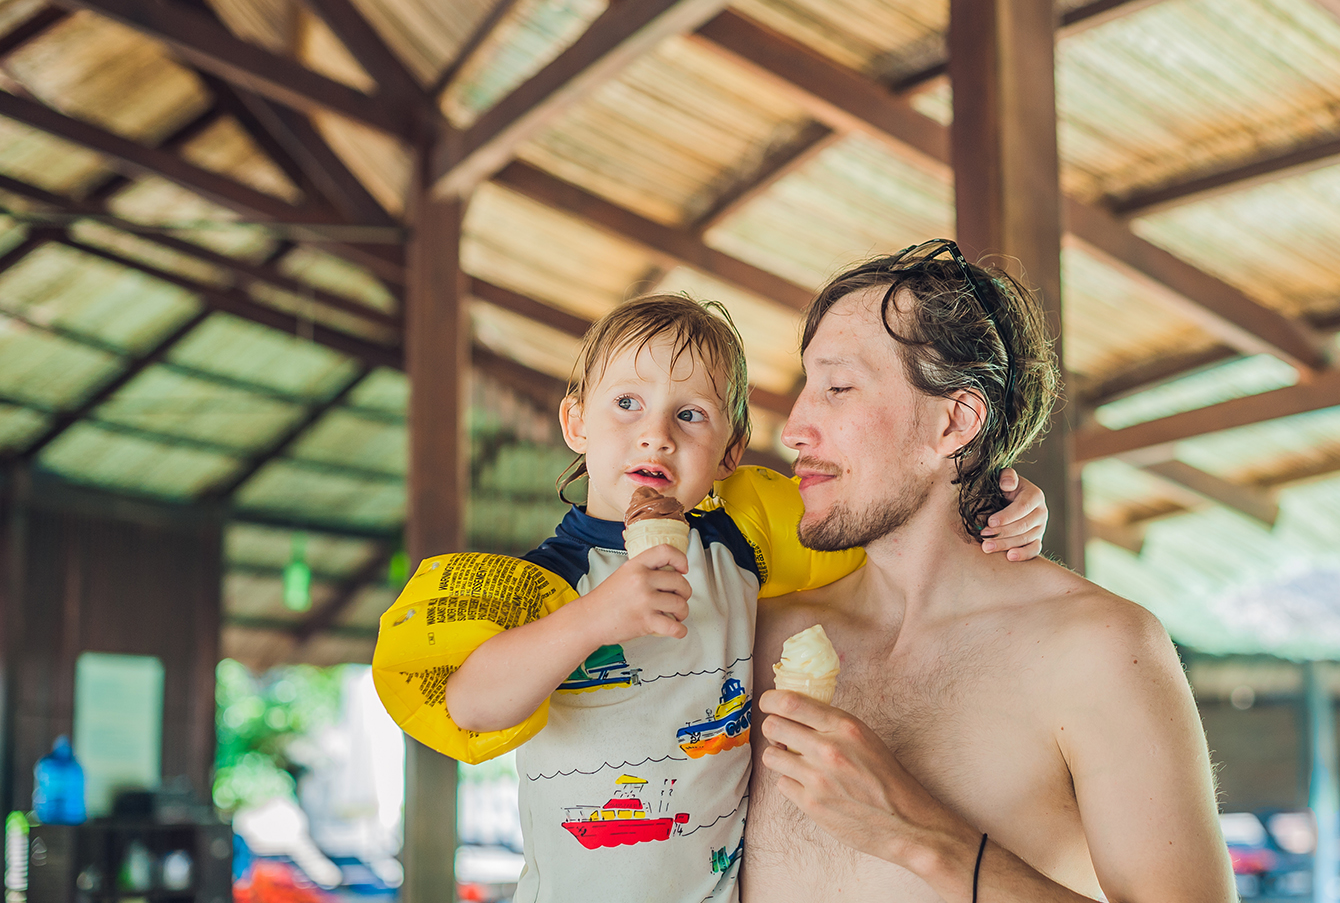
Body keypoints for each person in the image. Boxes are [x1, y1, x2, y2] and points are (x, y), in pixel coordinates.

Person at [427, 293, 1052, 903]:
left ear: (730, 450)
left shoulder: (743, 544)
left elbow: (890, 530)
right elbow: (471, 706)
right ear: (576, 423)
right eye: (626, 403)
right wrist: (594, 618)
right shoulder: (547, 581)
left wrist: (995, 505)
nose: (656, 435)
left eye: (690, 415)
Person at [746, 242, 1235, 902]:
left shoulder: (1099, 649)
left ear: (955, 421)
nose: (794, 428)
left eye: (837, 387)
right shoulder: (755, 634)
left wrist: (921, 837)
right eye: (806, 387)